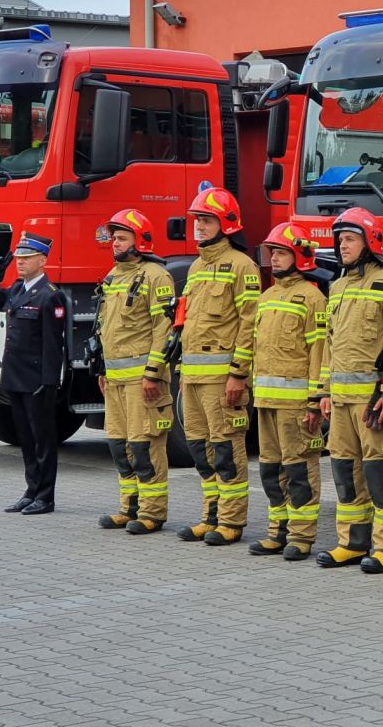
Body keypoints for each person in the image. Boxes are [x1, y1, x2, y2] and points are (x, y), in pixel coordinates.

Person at [315, 207, 383, 574]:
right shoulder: (337, 287)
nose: (342, 246)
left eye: (350, 239)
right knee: (345, 474)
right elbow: (330, 344)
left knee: (381, 475)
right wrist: (325, 391)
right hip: (341, 403)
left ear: (369, 242)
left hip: (373, 403)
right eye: (340, 240)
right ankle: (352, 543)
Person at [175, 187, 261, 545]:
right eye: (197, 220)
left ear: (226, 224)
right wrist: (180, 371)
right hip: (193, 377)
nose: (199, 226)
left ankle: (231, 521)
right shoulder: (196, 267)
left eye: (207, 220)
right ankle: (210, 516)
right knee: (200, 450)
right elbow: (186, 325)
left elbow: (250, 323)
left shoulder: (242, 266)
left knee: (226, 451)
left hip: (222, 379)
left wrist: (238, 374)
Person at [94, 209, 176, 534]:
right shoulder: (113, 276)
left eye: (122, 238)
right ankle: (129, 508)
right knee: (119, 445)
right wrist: (102, 369)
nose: (114, 243)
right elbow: (105, 328)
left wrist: (153, 373)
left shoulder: (156, 276)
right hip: (116, 380)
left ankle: (152, 513)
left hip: (143, 381)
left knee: (145, 447)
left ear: (140, 241)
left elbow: (163, 329)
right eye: (113, 238)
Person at [249, 222, 327, 561]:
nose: (275, 259)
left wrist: (314, 401)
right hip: (266, 401)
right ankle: (276, 532)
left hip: (296, 406)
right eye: (273, 253)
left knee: (299, 471)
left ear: (300, 255)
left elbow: (319, 354)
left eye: (281, 253)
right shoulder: (266, 298)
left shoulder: (313, 298)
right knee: (270, 470)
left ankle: (301, 536)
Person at [0, 231, 67, 516]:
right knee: (26, 439)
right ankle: (31, 491)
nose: (20, 262)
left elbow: (54, 345)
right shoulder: (18, 290)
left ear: (42, 261)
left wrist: (49, 382)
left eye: (27, 258)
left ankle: (45, 497)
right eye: (18, 258)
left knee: (43, 440)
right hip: (15, 376)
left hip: (36, 379)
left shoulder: (50, 296)